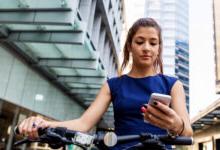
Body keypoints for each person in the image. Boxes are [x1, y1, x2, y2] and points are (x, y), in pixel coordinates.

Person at [17, 18, 193, 149]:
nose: (146, 47)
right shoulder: (113, 85)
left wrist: (176, 125)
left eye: (153, 43)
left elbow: (188, 133)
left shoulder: (173, 84)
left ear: (158, 48)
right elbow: (83, 123)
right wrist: (42, 124)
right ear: (130, 46)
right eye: (140, 42)